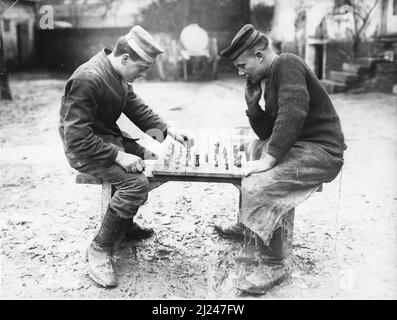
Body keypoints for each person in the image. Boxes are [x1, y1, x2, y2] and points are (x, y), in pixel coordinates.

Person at [216, 24, 346, 294]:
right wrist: (254, 107)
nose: (241, 72)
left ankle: (274, 263)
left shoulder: (287, 64)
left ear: (259, 56)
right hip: (302, 145)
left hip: (322, 151)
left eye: (242, 65)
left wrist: (269, 160)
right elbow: (269, 133)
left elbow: (293, 115)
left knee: (259, 183)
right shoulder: (272, 76)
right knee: (252, 150)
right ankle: (249, 226)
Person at [59, 26, 192, 288]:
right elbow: (76, 137)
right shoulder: (89, 78)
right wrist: (118, 157)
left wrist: (169, 130)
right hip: (86, 150)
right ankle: (100, 247)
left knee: (155, 160)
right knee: (136, 183)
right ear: (125, 59)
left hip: (106, 139)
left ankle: (123, 221)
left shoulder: (117, 74)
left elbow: (136, 107)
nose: (143, 74)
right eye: (142, 68)